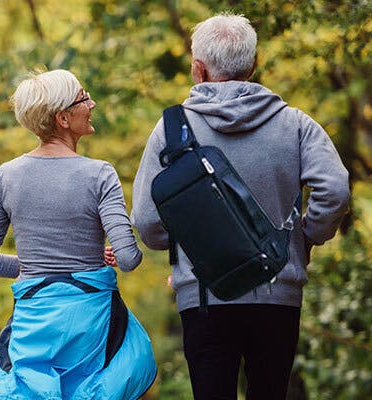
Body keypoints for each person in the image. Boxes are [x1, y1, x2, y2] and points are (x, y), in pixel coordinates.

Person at [131, 13, 350, 400]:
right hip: (278, 292)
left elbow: (148, 222)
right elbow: (334, 191)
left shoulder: (171, 130)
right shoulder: (294, 124)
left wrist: (193, 246)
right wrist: (305, 238)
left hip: (203, 296)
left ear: (198, 68)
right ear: (253, 63)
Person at [0, 69, 157, 400]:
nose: (93, 103)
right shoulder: (100, 175)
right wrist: (88, 259)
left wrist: (40, 265)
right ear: (63, 118)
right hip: (92, 326)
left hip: (34, 323)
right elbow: (128, 259)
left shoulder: (8, 176)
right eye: (84, 98)